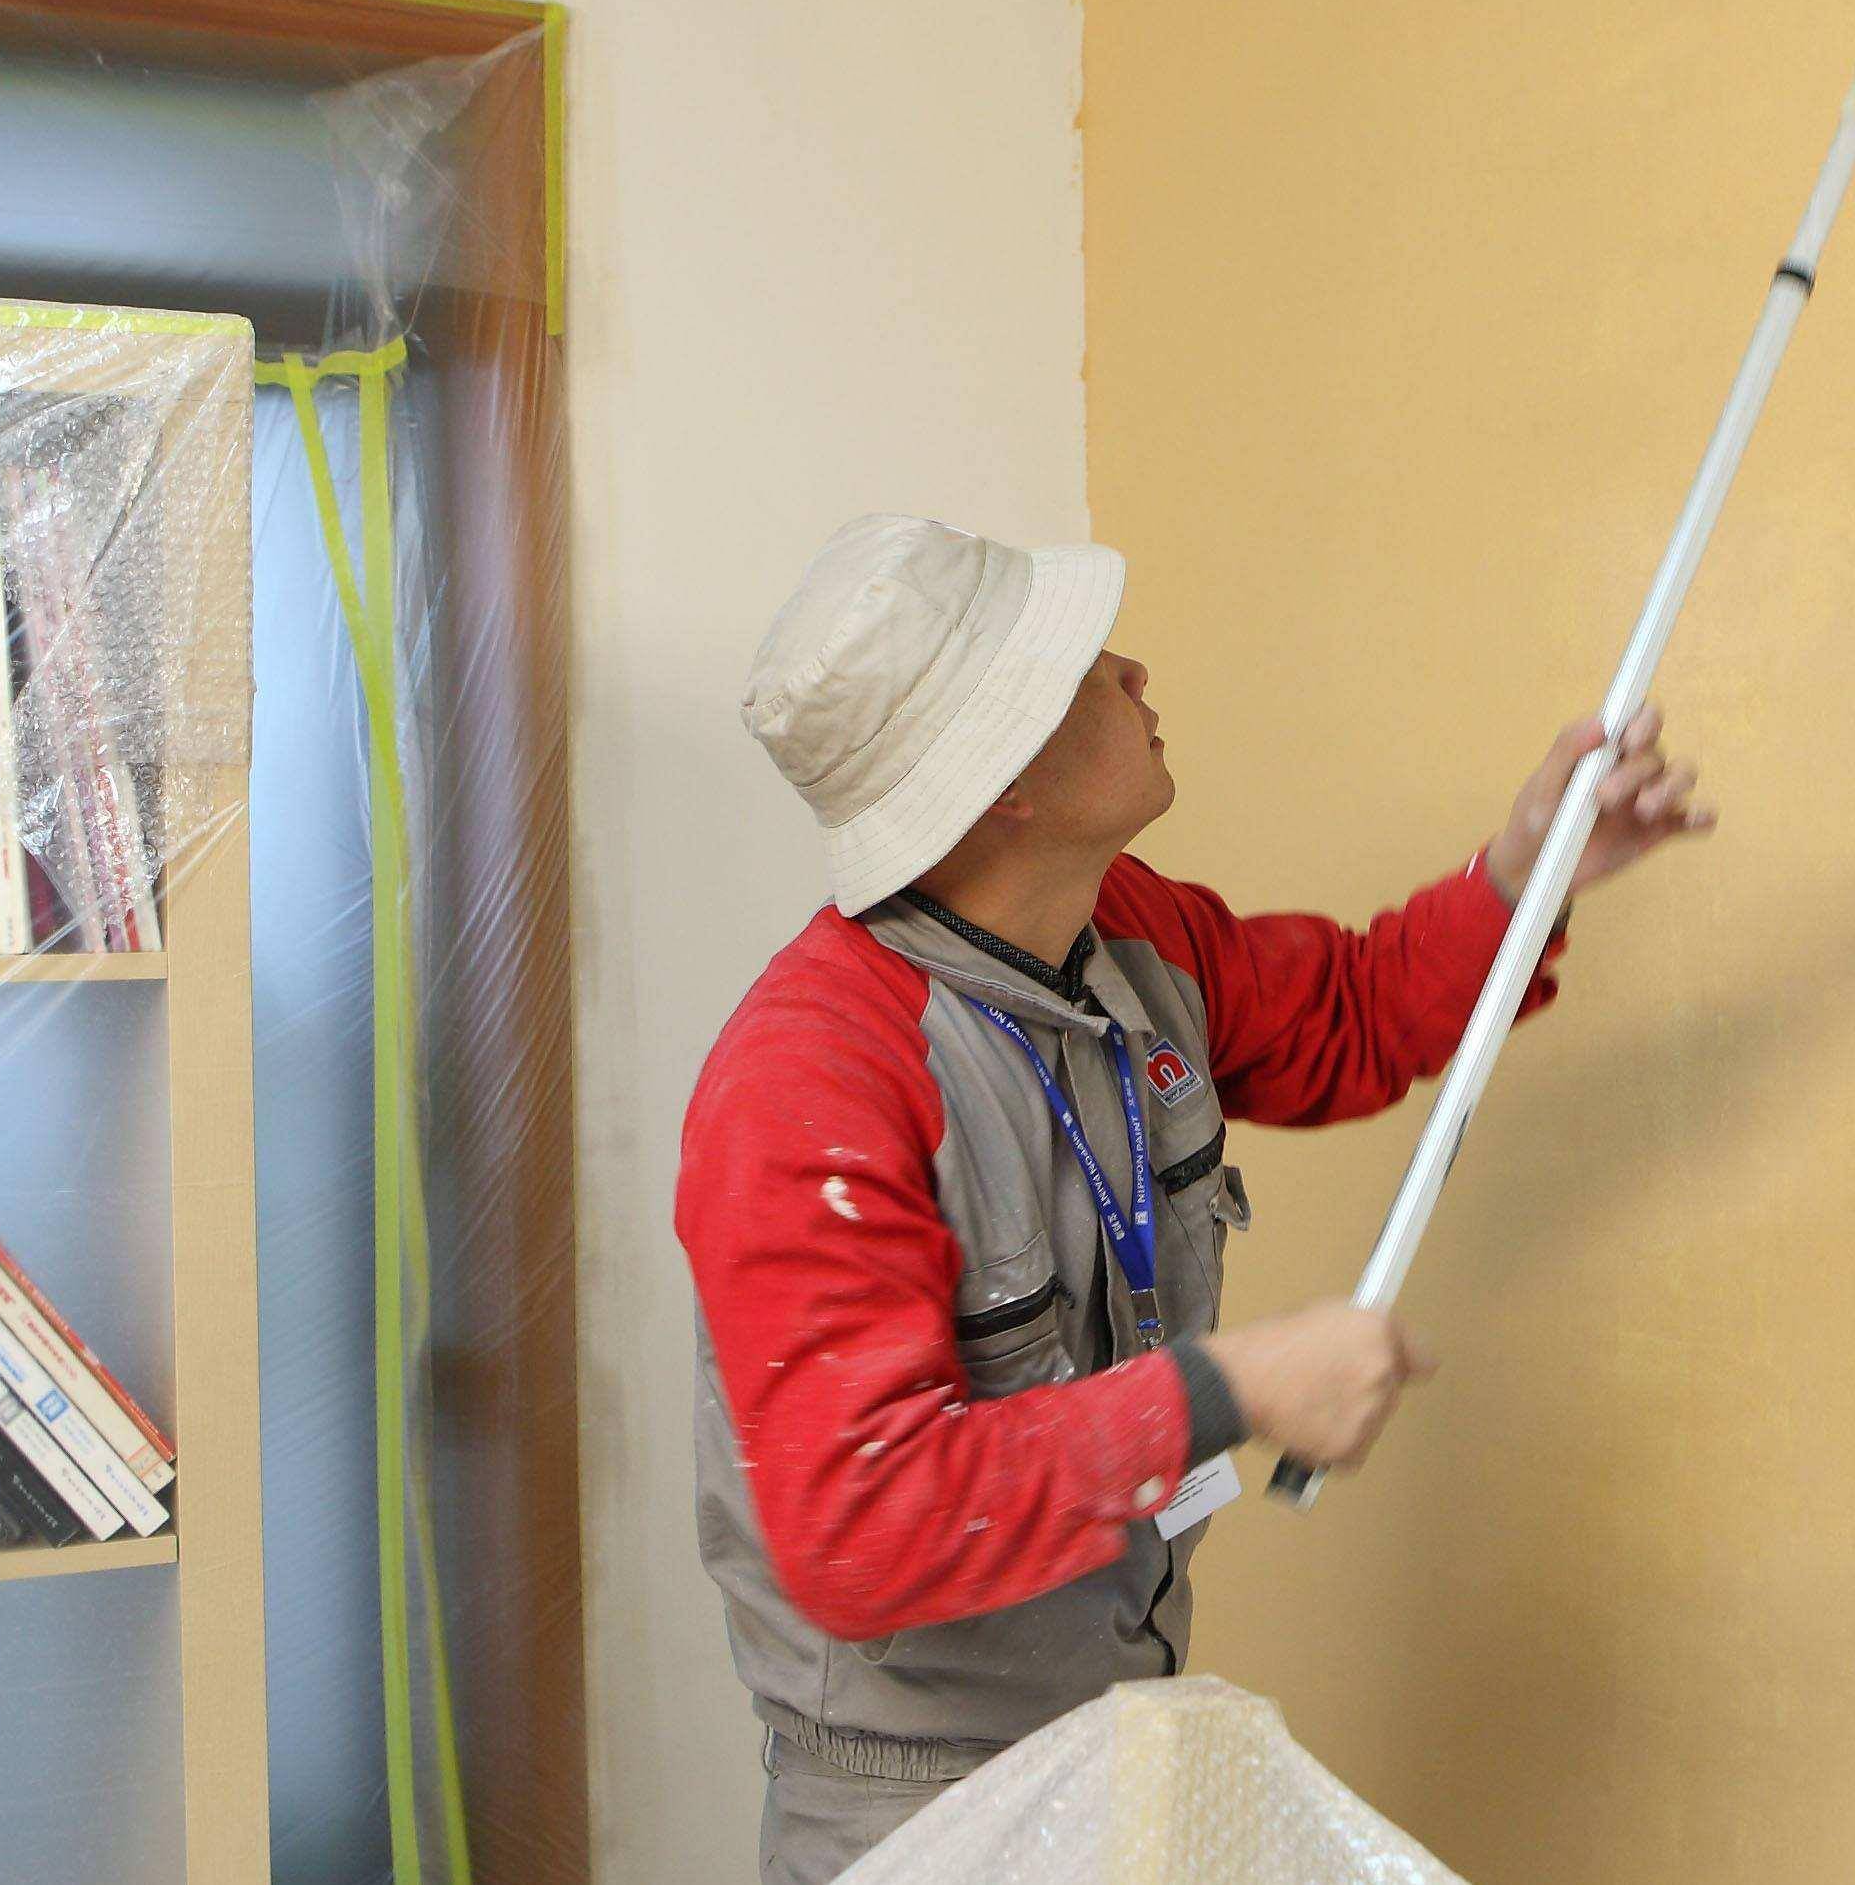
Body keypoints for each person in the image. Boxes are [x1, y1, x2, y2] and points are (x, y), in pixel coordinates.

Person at [679, 515, 1711, 1883]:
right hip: (924, 1819)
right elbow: (862, 1523)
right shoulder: (812, 1079)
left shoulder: (1129, 939)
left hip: (1119, 1746)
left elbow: (1352, 1012)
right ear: (1004, 779)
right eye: (1084, 668)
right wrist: (1237, 1389)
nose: (1134, 672)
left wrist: (1529, 875)